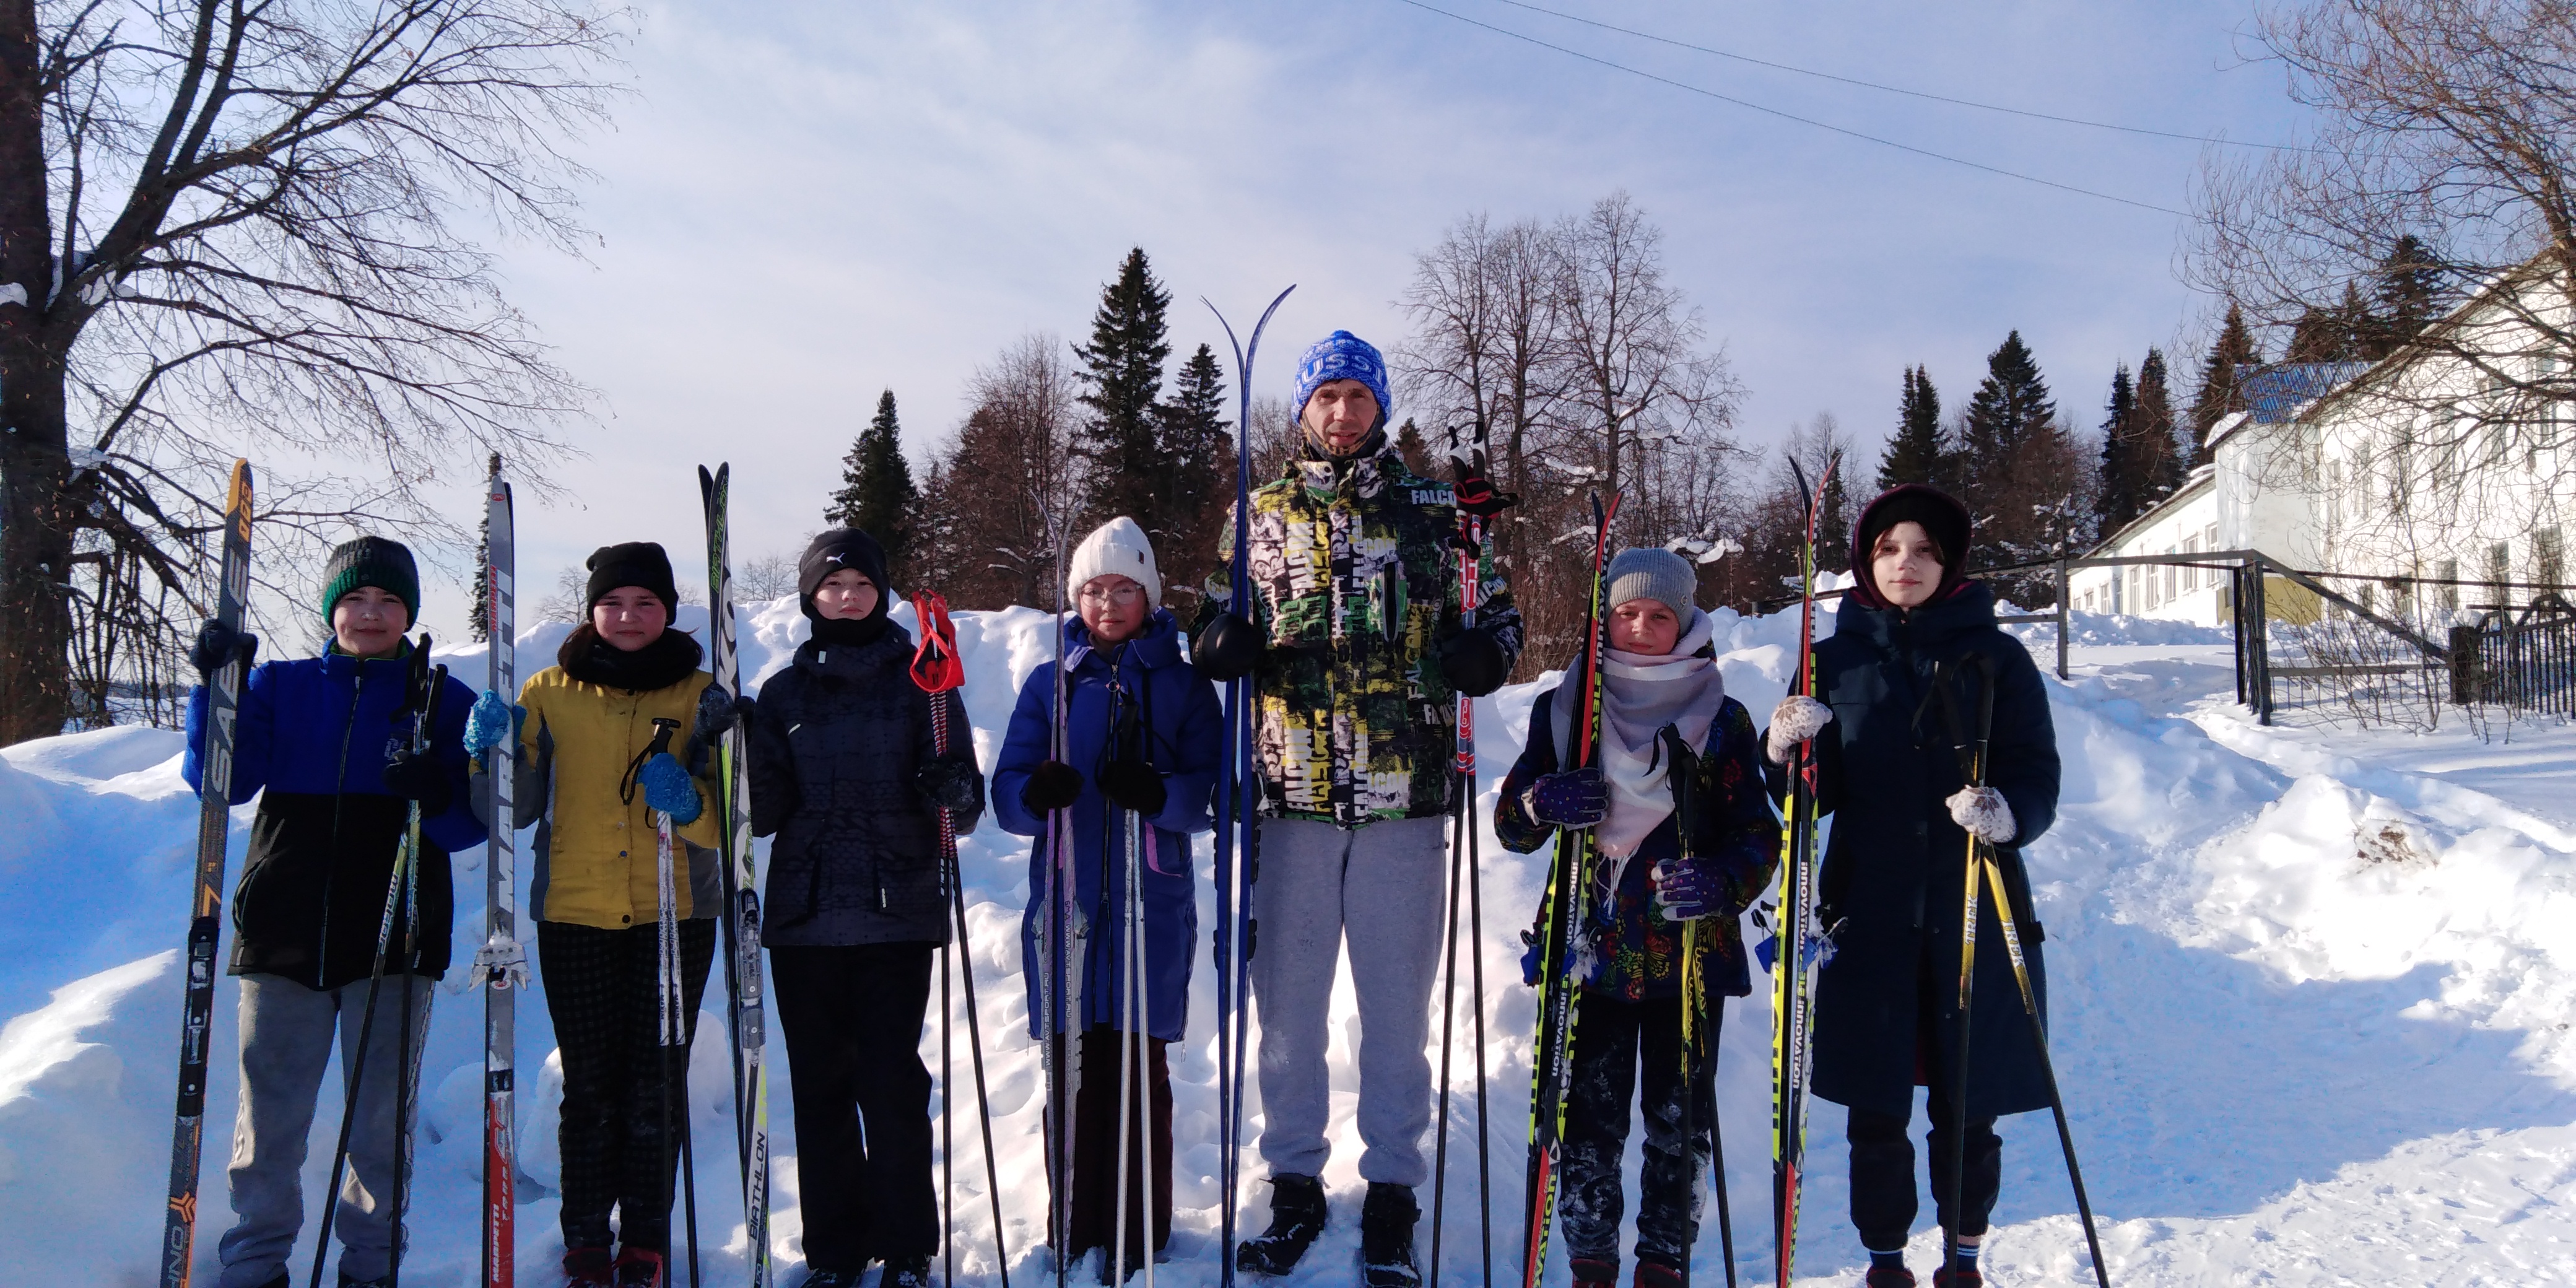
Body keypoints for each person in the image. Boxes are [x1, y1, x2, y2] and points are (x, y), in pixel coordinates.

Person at [1191, 330, 1521, 1286]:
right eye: (1327, 395)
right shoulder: (1256, 512)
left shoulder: (1436, 512)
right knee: (1286, 1012)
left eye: (1359, 397)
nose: (1343, 413)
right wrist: (1220, 645)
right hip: (1289, 799)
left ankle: (1393, 1197)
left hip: (1403, 802)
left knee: (1394, 1012)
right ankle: (1293, 1187)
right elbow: (1209, 613)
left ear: (1381, 408)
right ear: (1304, 407)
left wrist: (1485, 657)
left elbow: (1497, 616)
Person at [1762, 485, 2061, 1288]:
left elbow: (2038, 775)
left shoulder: (1997, 659)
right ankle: (1885, 1261)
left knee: (1969, 1103)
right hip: (1871, 908)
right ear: (1867, 559)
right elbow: (1810, 800)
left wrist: (2008, 814)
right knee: (1877, 1104)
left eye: (1925, 550)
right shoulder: (1834, 661)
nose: (1907, 563)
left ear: (1951, 562)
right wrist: (1783, 754)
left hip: (1976, 907)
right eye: (1892, 548)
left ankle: (1963, 1259)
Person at [181, 536, 483, 1288]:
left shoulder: (443, 699)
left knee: (379, 1126)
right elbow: (221, 780)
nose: (371, 614)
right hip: (282, 932)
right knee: (270, 1122)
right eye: (354, 599)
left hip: (398, 935)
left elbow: (467, 828)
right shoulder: (280, 686)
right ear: (331, 608)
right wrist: (217, 685)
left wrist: (438, 789)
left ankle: (370, 1266)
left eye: (388, 602)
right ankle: (254, 1265)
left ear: (409, 612)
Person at [1494, 547, 1779, 1288]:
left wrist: (1720, 879)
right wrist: (1541, 800)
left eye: (1660, 615)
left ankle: (1663, 1261)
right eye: (1627, 612)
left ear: (1684, 621)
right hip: (1591, 949)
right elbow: (1511, 826)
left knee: (1676, 1121)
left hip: (1689, 953)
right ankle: (1590, 1261)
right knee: (1586, 1121)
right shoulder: (1566, 709)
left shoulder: (1722, 719)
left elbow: (1758, 833)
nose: (1643, 628)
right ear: (1606, 617)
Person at [466, 541, 729, 1288]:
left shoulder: (701, 693)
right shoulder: (549, 692)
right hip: (574, 913)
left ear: (669, 612)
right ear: (591, 611)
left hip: (676, 913)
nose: (628, 616)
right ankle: (584, 1237)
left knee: (655, 1080)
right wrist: (489, 755)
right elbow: (504, 815)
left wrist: (694, 803)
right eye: (613, 603)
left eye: (646, 603)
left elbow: (730, 823)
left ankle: (644, 1239)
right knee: (589, 1084)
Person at [742, 528, 983, 1288]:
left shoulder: (926, 681)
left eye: (861, 586)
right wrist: (731, 746)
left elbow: (964, 806)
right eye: (831, 586)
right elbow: (767, 810)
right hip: (805, 916)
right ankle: (834, 1251)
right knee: (819, 1089)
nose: (846, 599)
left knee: (890, 1083)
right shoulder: (784, 693)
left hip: (897, 908)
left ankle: (906, 1246)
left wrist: (951, 789)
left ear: (882, 593)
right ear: (810, 595)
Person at [994, 517, 1222, 1284]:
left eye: (1124, 587)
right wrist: (1037, 792)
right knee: (1073, 1065)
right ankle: (1075, 1223)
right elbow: (1007, 793)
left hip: (1148, 902)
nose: (1108, 602)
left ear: (1150, 594)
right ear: (1076, 597)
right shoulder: (1051, 680)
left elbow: (1207, 791)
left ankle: (1137, 1226)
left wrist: (1159, 794)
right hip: (1067, 900)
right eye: (1093, 588)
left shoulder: (1184, 682)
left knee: (1135, 1065)